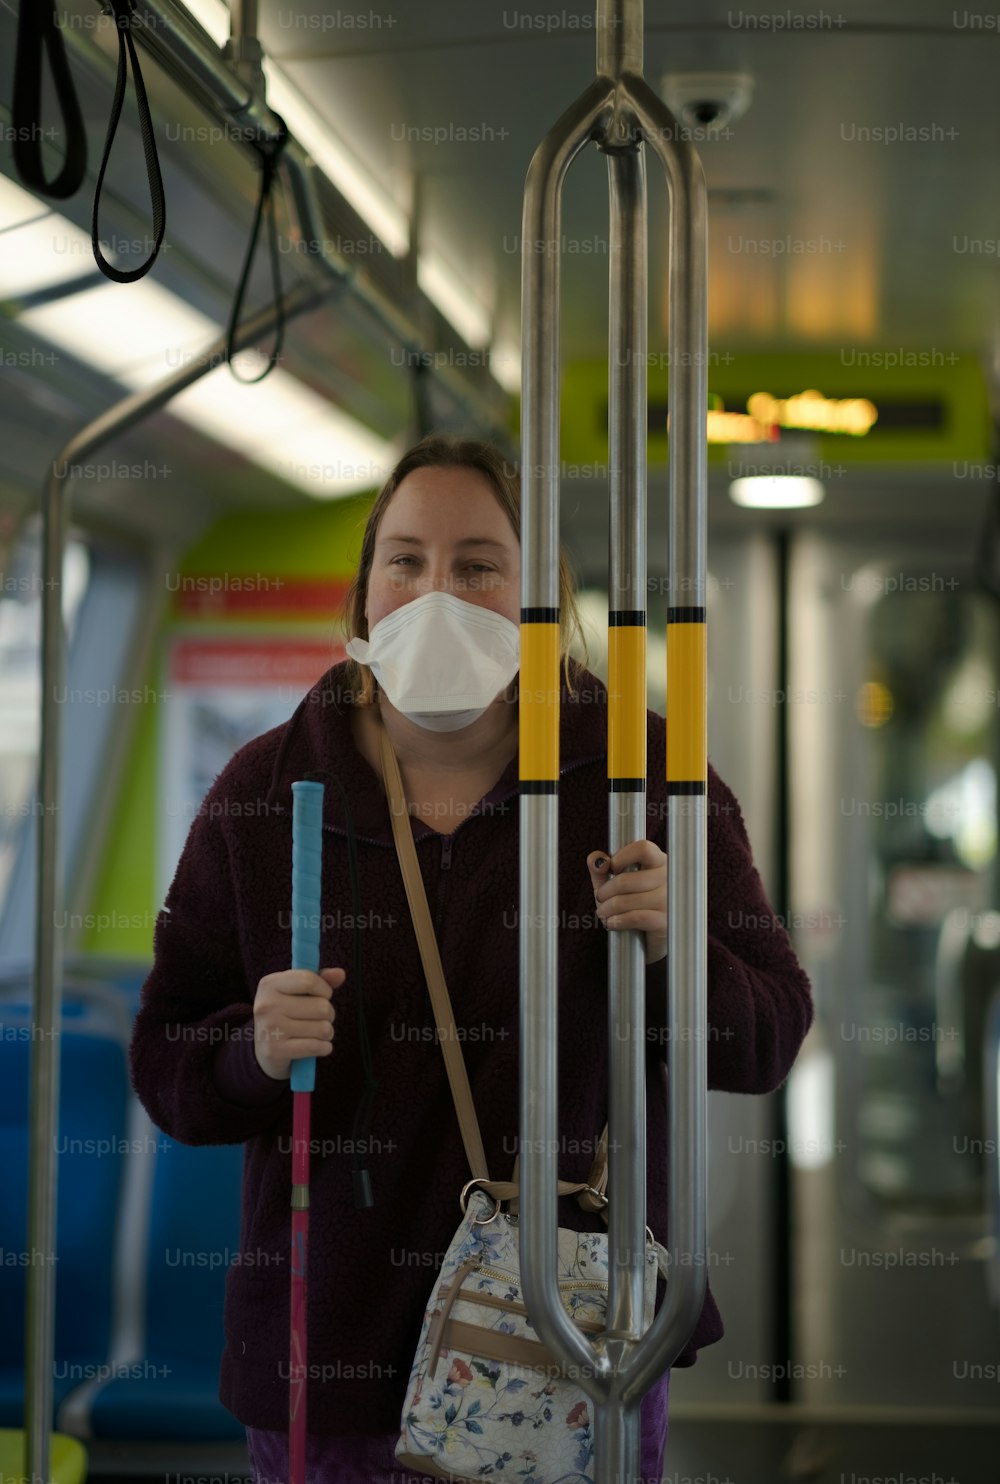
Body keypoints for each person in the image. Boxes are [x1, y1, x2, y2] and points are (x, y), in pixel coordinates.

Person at [129, 434, 815, 1484]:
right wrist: (252, 1054)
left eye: (477, 565)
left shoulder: (645, 775)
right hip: (328, 1343)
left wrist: (676, 950)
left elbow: (766, 1036)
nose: (434, 591)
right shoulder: (267, 790)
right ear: (363, 595)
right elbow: (169, 1064)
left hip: (572, 1331)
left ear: (542, 596)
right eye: (404, 559)